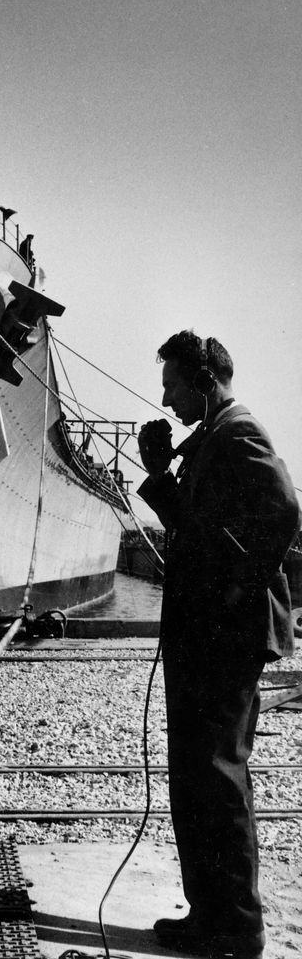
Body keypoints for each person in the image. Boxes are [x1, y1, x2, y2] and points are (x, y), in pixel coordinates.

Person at [137, 330, 300, 959]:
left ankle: (237, 927)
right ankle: (209, 913)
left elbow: (284, 512)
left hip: (224, 634)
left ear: (205, 380)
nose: (169, 400)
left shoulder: (238, 433)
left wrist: (234, 593)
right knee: (195, 774)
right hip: (205, 632)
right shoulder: (212, 437)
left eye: (174, 385)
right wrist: (158, 475)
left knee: (218, 775)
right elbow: (195, 525)